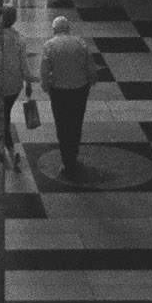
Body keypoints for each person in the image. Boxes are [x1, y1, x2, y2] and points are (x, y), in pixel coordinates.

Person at [38, 12, 96, 180]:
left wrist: (46, 86)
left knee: (62, 124)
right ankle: (74, 156)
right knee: (76, 123)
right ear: (68, 29)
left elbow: (44, 70)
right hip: (79, 89)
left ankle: (66, 160)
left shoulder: (49, 45)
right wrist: (91, 81)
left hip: (59, 91)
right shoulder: (80, 43)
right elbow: (90, 66)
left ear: (54, 29)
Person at [1, 3, 34, 170]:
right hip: (14, 86)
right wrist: (28, 83)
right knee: (5, 115)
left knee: (3, 117)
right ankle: (9, 148)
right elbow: (24, 66)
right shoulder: (19, 38)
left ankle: (10, 150)